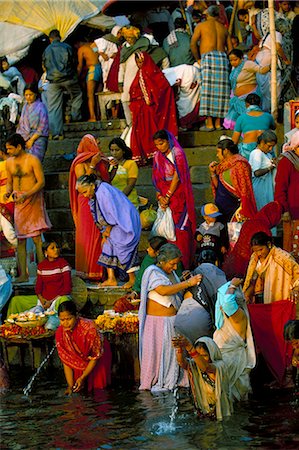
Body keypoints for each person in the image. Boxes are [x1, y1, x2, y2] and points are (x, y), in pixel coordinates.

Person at [139, 243, 202, 391]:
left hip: (172, 321)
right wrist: (187, 283)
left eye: (176, 264)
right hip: (157, 323)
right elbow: (162, 290)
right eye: (172, 264)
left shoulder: (169, 273)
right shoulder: (152, 271)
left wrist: (181, 279)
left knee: (172, 353)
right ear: (162, 261)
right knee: (158, 353)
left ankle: (174, 379)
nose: (174, 267)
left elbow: (170, 286)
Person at [243, 232, 298, 384]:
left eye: (261, 250)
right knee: (270, 339)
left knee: (284, 338)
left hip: (281, 302)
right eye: (255, 251)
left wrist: (295, 288)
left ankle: (287, 377)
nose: (258, 253)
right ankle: (276, 375)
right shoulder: (255, 258)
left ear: (268, 245)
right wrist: (246, 294)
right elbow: (250, 280)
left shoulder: (283, 257)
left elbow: (297, 273)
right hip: (264, 304)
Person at [76, 174, 141, 288]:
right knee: (107, 245)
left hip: (124, 223)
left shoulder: (103, 192)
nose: (85, 195)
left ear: (92, 185)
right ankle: (111, 279)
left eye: (85, 192)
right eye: (82, 193)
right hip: (114, 224)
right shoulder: (97, 191)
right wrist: (105, 232)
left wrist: (108, 230)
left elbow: (113, 213)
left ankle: (132, 279)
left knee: (123, 249)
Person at [5, 134, 51, 283]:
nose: (9, 151)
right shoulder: (9, 162)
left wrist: (27, 195)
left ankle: (43, 273)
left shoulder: (32, 160)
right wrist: (8, 192)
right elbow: (10, 182)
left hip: (33, 200)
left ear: (19, 146)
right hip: (19, 202)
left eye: (10, 148)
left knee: (37, 238)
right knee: (21, 240)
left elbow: (41, 182)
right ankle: (23, 275)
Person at [152, 129, 196, 269]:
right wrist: (160, 197)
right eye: (157, 145)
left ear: (168, 141)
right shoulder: (157, 156)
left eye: (162, 143)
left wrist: (168, 195)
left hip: (179, 196)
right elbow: (156, 179)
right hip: (165, 197)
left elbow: (178, 175)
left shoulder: (177, 153)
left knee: (181, 231)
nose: (160, 147)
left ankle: (183, 265)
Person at [69, 134, 111, 281]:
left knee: (100, 234)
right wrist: (92, 165)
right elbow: (84, 182)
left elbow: (105, 181)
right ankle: (88, 271)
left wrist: (110, 168)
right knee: (88, 234)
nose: (98, 145)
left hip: (99, 200)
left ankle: (100, 271)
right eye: (96, 143)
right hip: (85, 201)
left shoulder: (100, 160)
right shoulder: (79, 163)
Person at [129, 52, 178, 165]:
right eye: (137, 62)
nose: (139, 64)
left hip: (147, 110)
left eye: (141, 61)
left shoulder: (151, 73)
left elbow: (162, 89)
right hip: (140, 110)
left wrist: (151, 101)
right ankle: (147, 156)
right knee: (142, 133)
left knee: (148, 132)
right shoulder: (140, 73)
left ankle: (154, 155)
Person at [7, 241, 71, 324]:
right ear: (45, 252)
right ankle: (11, 327)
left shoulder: (63, 264)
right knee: (15, 300)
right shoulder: (41, 266)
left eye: (57, 247)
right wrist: (42, 300)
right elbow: (38, 288)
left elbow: (67, 288)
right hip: (43, 301)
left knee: (64, 301)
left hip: (58, 299)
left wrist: (50, 301)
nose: (56, 250)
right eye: (52, 248)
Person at [190, 5, 232, 131]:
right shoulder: (223, 28)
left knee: (208, 91)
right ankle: (218, 123)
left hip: (207, 58)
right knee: (221, 92)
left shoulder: (201, 26)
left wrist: (198, 58)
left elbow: (193, 43)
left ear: (207, 14)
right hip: (222, 58)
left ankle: (209, 123)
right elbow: (230, 49)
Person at [56, 300, 111, 394]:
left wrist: (82, 377)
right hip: (79, 362)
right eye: (62, 320)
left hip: (99, 357)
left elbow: (95, 357)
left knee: (99, 390)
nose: (66, 323)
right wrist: (70, 385)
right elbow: (66, 361)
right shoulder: (60, 333)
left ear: (76, 316)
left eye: (69, 319)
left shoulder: (90, 329)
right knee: (77, 389)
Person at [213, 279, 256, 402]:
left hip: (234, 361)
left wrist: (232, 286)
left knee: (234, 399)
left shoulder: (238, 315)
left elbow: (227, 304)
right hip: (228, 361)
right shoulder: (226, 319)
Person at [118, 26, 169, 127]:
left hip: (144, 83)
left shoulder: (146, 47)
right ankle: (131, 127)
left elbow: (163, 60)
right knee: (126, 101)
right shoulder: (125, 51)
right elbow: (121, 68)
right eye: (127, 37)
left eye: (131, 37)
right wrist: (120, 82)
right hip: (128, 82)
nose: (129, 40)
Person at [173, 336, 232, 420]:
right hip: (203, 412)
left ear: (212, 354)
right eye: (198, 355)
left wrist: (189, 347)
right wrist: (179, 348)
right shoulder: (196, 365)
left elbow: (205, 367)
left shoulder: (219, 366)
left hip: (218, 413)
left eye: (204, 356)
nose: (199, 359)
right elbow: (182, 363)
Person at [43, 29, 82, 140]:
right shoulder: (67, 47)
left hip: (53, 81)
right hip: (68, 78)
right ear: (59, 37)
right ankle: (75, 117)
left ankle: (56, 133)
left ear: (50, 39)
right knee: (77, 95)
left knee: (54, 107)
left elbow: (45, 64)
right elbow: (74, 62)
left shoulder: (47, 49)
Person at [209, 138, 257, 223]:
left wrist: (243, 209)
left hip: (236, 208)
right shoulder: (223, 165)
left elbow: (244, 189)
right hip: (222, 209)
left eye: (218, 151)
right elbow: (219, 187)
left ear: (226, 151)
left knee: (235, 234)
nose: (217, 155)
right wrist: (212, 173)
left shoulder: (240, 164)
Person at [223, 49, 270, 130]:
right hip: (238, 99)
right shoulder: (234, 69)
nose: (233, 62)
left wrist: (270, 66)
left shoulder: (248, 64)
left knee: (251, 120)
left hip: (249, 98)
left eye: (235, 60)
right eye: (231, 61)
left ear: (241, 58)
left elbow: (261, 70)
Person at [275, 131, 299, 258]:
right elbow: (280, 188)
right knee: (293, 249)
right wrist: (284, 210)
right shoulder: (287, 161)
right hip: (293, 211)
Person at [232, 93, 276, 160]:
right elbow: (274, 127)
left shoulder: (241, 118)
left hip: (247, 152)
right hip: (265, 150)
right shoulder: (268, 116)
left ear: (246, 104)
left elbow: (234, 141)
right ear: (259, 104)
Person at [128, 235, 168, 300]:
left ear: (157, 252)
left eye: (150, 249)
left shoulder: (168, 263)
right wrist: (135, 291)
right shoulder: (148, 259)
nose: (147, 249)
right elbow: (140, 276)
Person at [163, 63, 201, 130]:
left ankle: (186, 123)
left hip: (187, 76)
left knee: (186, 102)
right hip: (191, 74)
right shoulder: (166, 75)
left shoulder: (164, 77)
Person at [16, 83, 49, 161]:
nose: (28, 97)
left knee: (35, 162)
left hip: (38, 139)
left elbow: (42, 126)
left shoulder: (41, 107)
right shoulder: (25, 107)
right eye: (26, 95)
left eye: (30, 94)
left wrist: (32, 140)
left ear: (35, 94)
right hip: (24, 139)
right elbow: (22, 124)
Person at [249, 130, 277, 211]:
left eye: (272, 146)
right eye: (269, 146)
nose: (271, 149)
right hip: (259, 187)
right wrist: (271, 167)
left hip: (266, 187)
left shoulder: (267, 154)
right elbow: (256, 173)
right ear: (261, 142)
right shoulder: (257, 153)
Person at [108, 137, 139, 207]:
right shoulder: (109, 165)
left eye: (117, 150)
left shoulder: (131, 164)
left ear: (123, 151)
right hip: (112, 201)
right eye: (112, 150)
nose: (114, 153)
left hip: (128, 201)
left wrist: (120, 198)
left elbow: (130, 185)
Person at [77, 40, 102, 122]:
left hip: (92, 70)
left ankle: (92, 117)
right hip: (100, 68)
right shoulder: (93, 45)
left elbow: (80, 66)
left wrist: (77, 76)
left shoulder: (81, 49)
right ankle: (99, 115)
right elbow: (98, 55)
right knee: (98, 94)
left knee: (90, 95)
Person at [92, 26, 122, 92]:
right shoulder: (105, 39)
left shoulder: (118, 42)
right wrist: (101, 54)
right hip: (107, 63)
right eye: (119, 33)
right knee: (106, 79)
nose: (120, 34)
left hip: (114, 64)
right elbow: (92, 45)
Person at [0, 146, 17, 256]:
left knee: (10, 233)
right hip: (13, 200)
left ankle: (20, 248)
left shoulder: (7, 164)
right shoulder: (17, 162)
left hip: (6, 202)